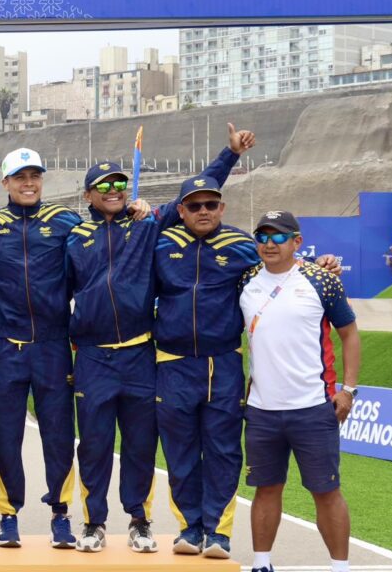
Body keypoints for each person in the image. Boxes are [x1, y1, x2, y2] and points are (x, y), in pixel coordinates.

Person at [68, 124, 253, 555]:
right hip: (93, 356)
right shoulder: (74, 237)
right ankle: (93, 523)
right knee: (93, 446)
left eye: (119, 183)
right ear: (88, 195)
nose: (114, 190)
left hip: (140, 354)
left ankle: (140, 521)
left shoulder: (148, 224)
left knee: (141, 446)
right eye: (103, 185)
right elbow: (56, 290)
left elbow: (198, 193)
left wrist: (230, 154)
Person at [240, 210, 360, 572]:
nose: (269, 244)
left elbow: (349, 334)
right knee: (266, 488)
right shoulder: (245, 279)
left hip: (313, 408)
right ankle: (262, 563)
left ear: (297, 242)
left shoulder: (322, 280)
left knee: (326, 491)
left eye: (279, 237)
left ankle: (340, 567)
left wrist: (349, 390)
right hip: (261, 409)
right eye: (262, 237)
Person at [0, 148, 82, 549]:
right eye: (20, 177)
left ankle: (61, 512)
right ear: (5, 182)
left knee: (59, 433)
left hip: (53, 345)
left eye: (34, 176)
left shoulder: (65, 222)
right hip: (6, 345)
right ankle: (8, 515)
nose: (28, 183)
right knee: (5, 434)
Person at [152, 176, 259, 559]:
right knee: (179, 450)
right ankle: (189, 527)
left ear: (221, 208)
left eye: (210, 205)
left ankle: (218, 532)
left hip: (223, 364)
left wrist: (321, 265)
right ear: (180, 210)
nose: (203, 212)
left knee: (223, 450)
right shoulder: (161, 243)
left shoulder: (241, 245)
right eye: (194, 205)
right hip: (173, 363)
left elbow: (282, 269)